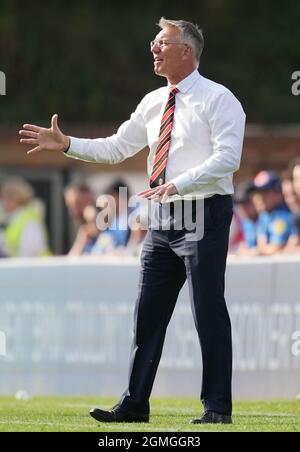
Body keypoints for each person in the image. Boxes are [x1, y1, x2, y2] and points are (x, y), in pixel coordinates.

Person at [19, 18, 246, 424]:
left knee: (207, 310)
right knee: (148, 313)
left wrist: (178, 184)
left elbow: (228, 158)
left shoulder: (219, 99)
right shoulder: (153, 102)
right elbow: (114, 148)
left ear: (187, 52)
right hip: (162, 215)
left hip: (203, 211)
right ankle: (134, 404)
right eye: (154, 42)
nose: (154, 49)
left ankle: (216, 407)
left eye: (162, 42)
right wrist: (67, 144)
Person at [0, 177, 50, 257]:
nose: (3, 202)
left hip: (35, 268)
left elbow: (28, 253)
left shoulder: (30, 220)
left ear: (15, 199)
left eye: (5, 198)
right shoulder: (10, 218)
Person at [253, 170, 293, 255]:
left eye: (265, 192)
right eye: (259, 192)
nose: (261, 197)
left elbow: (275, 248)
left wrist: (254, 251)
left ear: (278, 193)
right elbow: (261, 245)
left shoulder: (283, 215)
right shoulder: (264, 216)